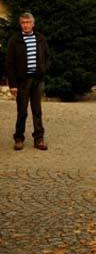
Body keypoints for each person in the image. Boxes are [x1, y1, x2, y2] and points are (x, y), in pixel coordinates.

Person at [6, 12, 51, 151]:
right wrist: (13, 85)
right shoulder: (15, 40)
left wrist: (43, 70)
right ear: (20, 24)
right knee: (22, 111)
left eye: (28, 22)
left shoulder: (41, 39)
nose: (25, 25)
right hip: (22, 82)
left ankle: (39, 139)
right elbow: (9, 64)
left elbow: (48, 57)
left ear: (33, 23)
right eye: (23, 23)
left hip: (37, 80)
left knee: (37, 111)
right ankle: (19, 138)